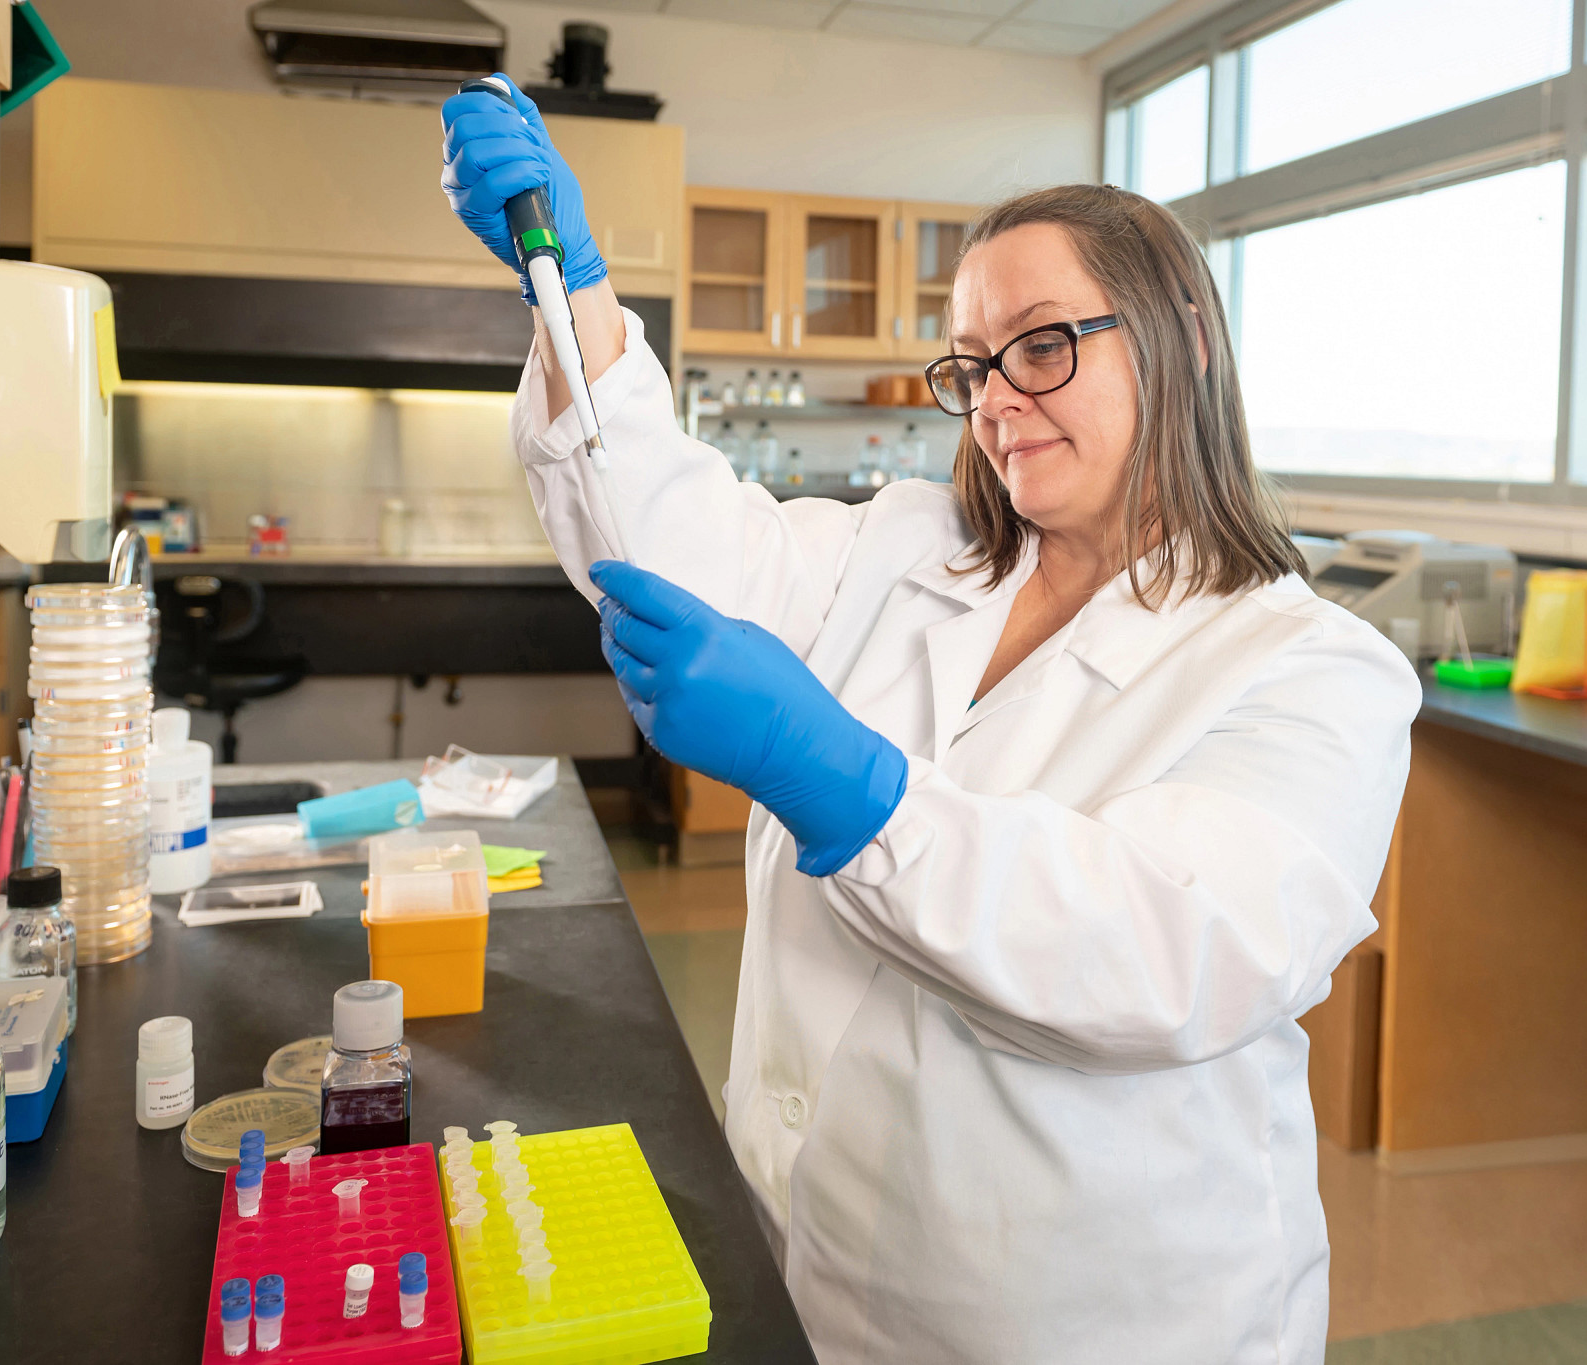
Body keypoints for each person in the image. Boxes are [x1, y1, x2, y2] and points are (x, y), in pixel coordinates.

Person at [442, 82, 1421, 1365]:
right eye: (970, 364)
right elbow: (662, 556)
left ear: (1182, 337)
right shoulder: (913, 547)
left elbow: (1165, 957)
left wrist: (851, 791)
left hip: (1089, 1321)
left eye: (1041, 345)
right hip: (808, 1245)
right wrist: (567, 293)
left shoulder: (1310, 670)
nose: (997, 398)